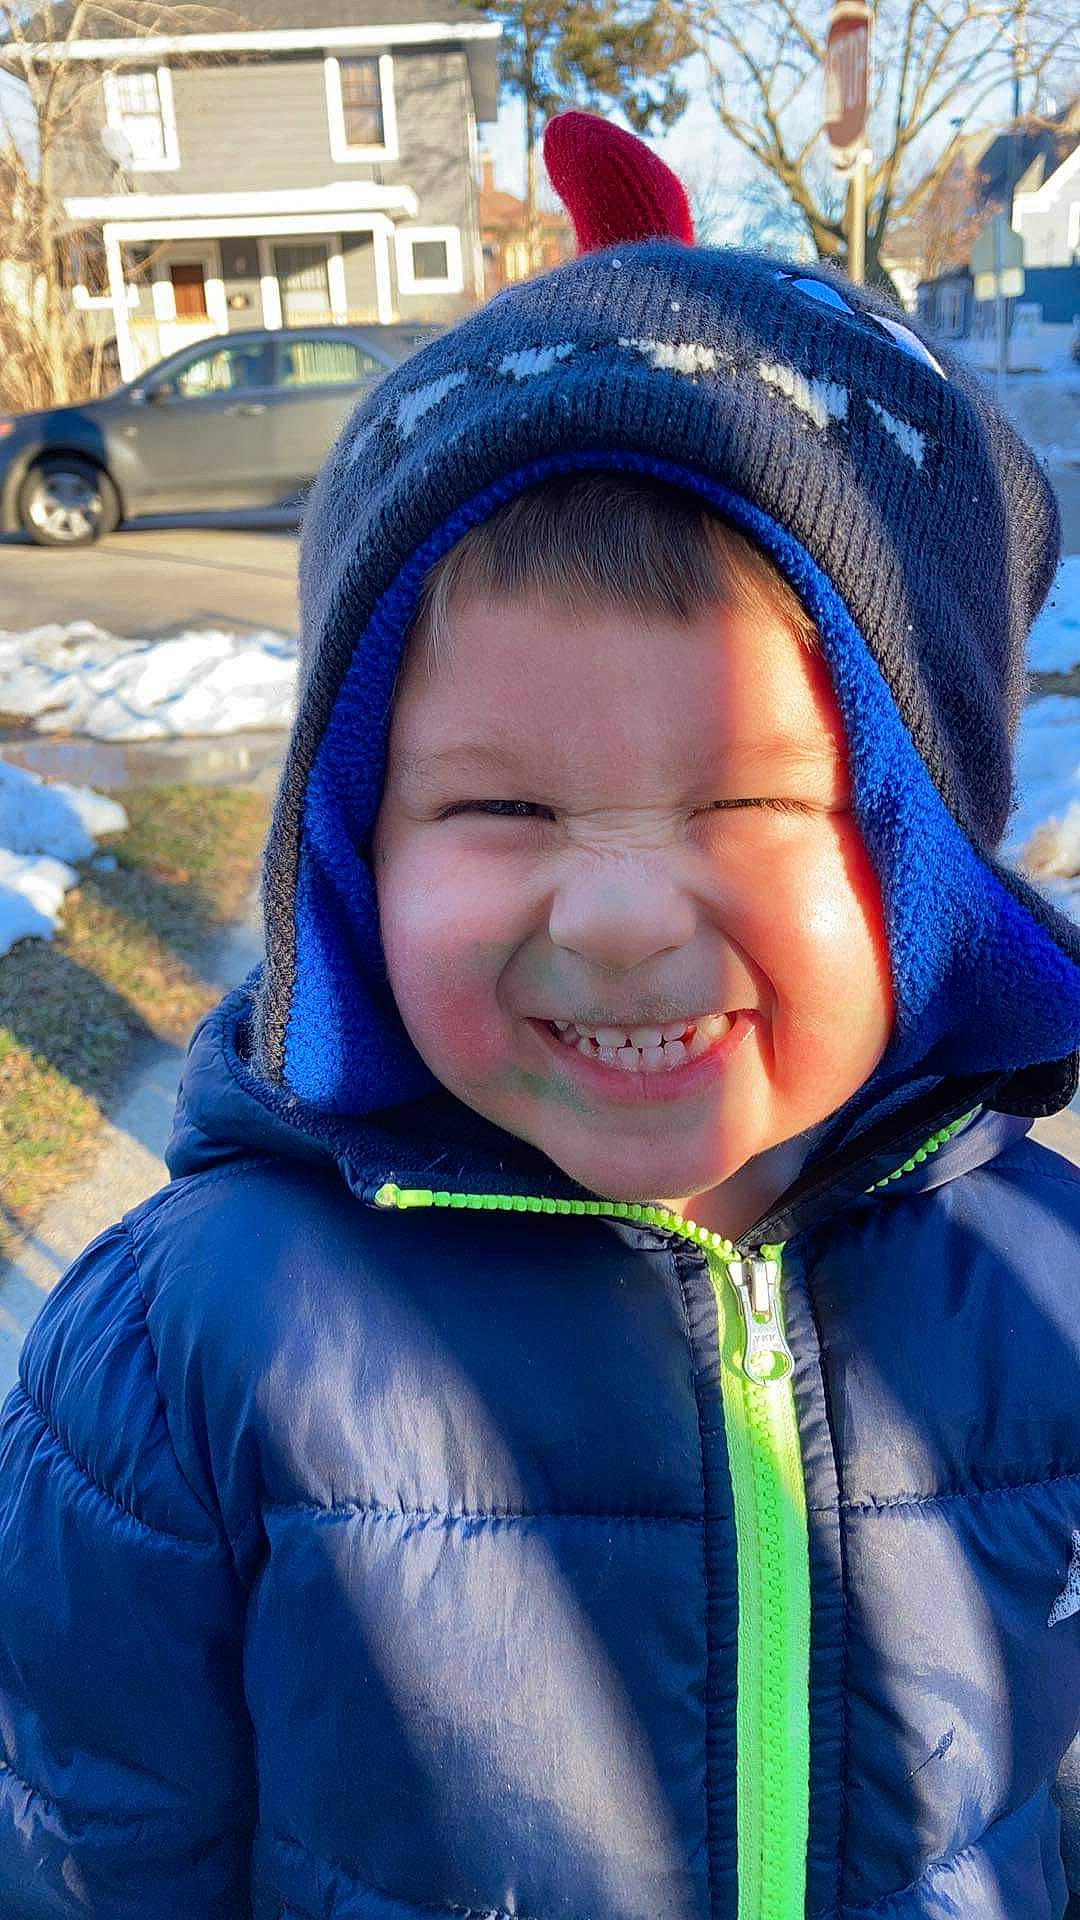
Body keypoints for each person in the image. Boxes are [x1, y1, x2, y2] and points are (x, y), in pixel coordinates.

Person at [0, 111, 1078, 1920]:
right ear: (349, 856)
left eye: (753, 801)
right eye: (501, 811)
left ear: (930, 864)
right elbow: (87, 1851)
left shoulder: (1047, 1300)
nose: (621, 916)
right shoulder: (191, 1350)